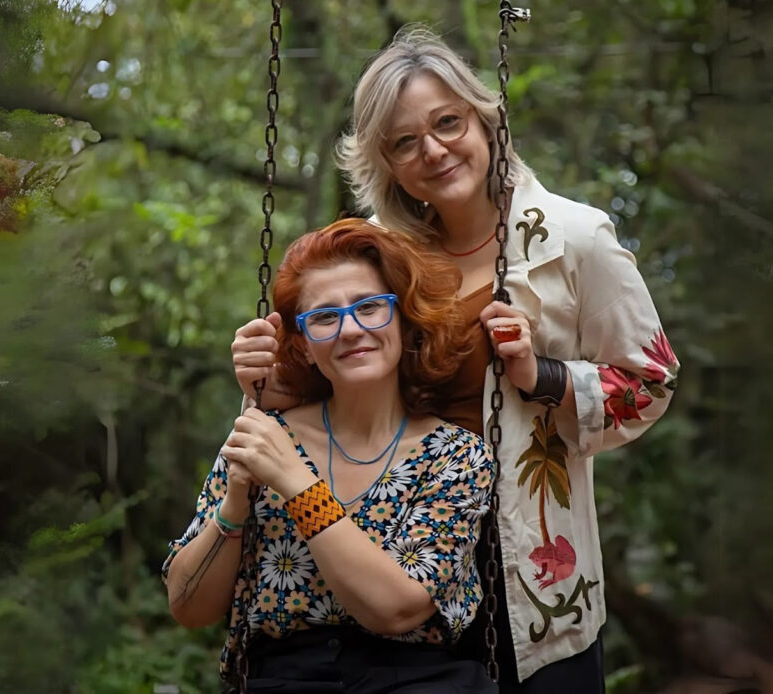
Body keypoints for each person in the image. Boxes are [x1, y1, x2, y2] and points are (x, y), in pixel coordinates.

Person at [230, 27, 680, 693]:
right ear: (384, 161)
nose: (433, 151)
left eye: (448, 123)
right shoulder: (380, 256)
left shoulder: (575, 239)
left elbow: (651, 382)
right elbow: (316, 374)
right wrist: (260, 363)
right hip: (400, 562)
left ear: (484, 118)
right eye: (405, 142)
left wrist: (543, 375)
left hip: (529, 573)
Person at [164, 218, 498, 693]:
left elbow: (397, 608)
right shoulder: (268, 436)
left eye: (370, 307)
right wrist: (235, 501)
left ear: (404, 318)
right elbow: (188, 607)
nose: (351, 329)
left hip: (417, 680)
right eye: (324, 317)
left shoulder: (455, 455)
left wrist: (298, 484)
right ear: (300, 342)